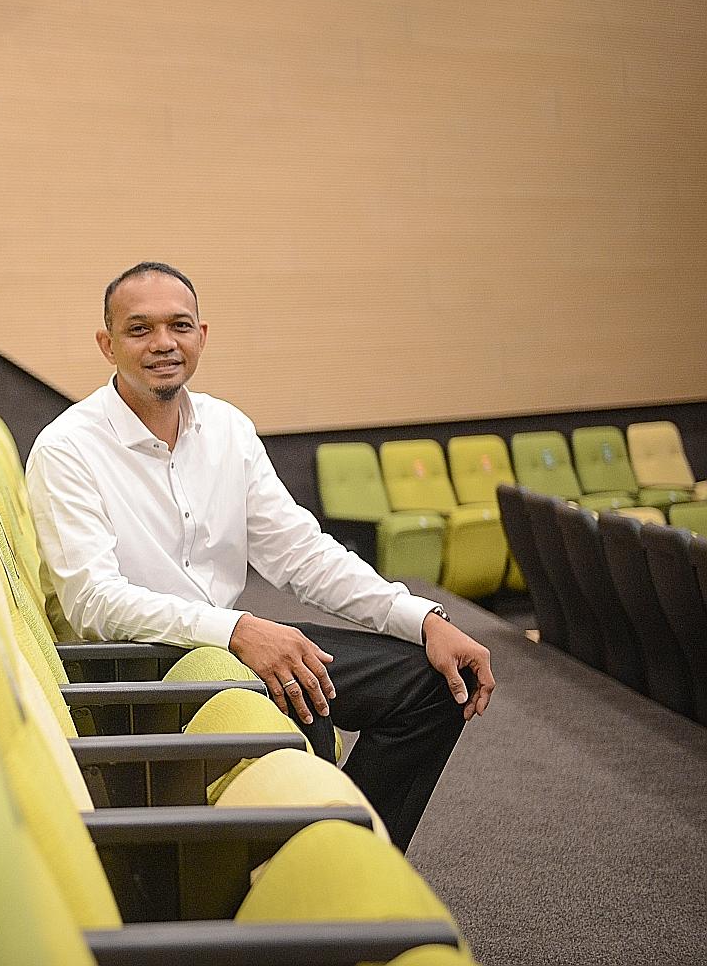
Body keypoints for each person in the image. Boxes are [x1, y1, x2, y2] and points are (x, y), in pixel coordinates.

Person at [25, 261, 495, 850]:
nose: (163, 343)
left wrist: (421, 617)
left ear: (202, 335)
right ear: (108, 344)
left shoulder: (227, 429)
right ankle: (322, 867)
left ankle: (354, 857)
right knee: (306, 706)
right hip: (139, 664)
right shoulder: (67, 447)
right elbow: (94, 602)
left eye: (180, 325)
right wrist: (238, 630)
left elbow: (301, 553)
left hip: (231, 642)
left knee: (430, 683)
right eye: (140, 329)